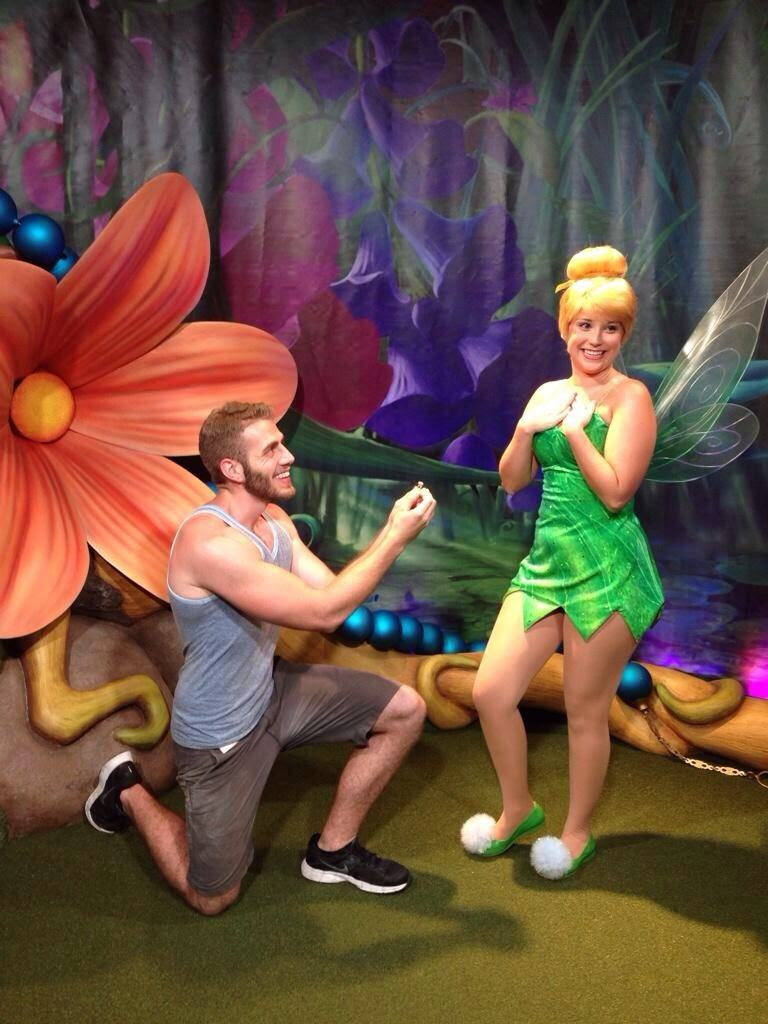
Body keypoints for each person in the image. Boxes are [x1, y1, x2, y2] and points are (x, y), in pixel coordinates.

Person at [85, 401, 435, 914]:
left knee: (404, 710)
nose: (287, 456)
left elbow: (330, 601)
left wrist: (388, 538)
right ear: (232, 468)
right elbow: (324, 611)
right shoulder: (212, 546)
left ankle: (333, 852)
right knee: (212, 897)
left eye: (281, 444)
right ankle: (126, 790)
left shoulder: (273, 520)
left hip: (271, 693)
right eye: (271, 449)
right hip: (219, 734)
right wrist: (394, 537)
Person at [460, 246, 663, 879]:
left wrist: (574, 431)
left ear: (623, 334)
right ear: (565, 328)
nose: (595, 339)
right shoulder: (549, 392)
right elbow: (511, 481)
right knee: (490, 692)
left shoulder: (632, 398)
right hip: (547, 564)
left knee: (583, 710)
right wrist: (526, 429)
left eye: (610, 328)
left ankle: (575, 834)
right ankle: (517, 809)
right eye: (584, 325)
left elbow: (616, 492)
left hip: (608, 569)